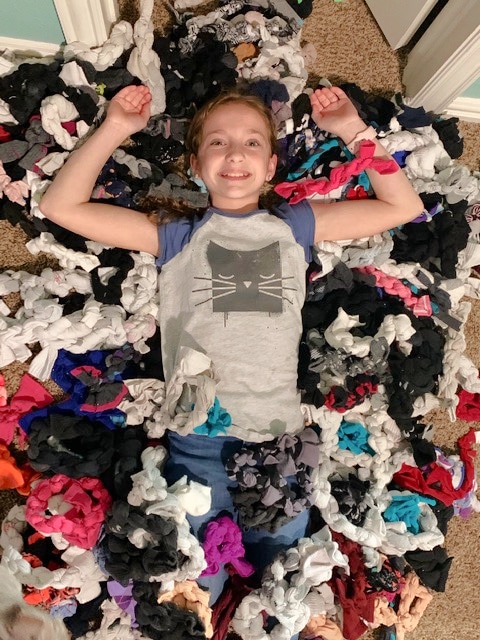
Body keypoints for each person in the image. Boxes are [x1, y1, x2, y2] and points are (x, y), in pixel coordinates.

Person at [39, 84, 424, 611]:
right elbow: (61, 205)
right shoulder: (177, 235)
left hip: (280, 443)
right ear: (196, 164)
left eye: (250, 143)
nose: (235, 153)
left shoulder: (295, 225)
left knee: (286, 583)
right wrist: (116, 128)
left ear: (270, 166)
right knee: (193, 590)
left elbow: (403, 205)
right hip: (198, 439)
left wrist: (353, 129)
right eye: (218, 143)